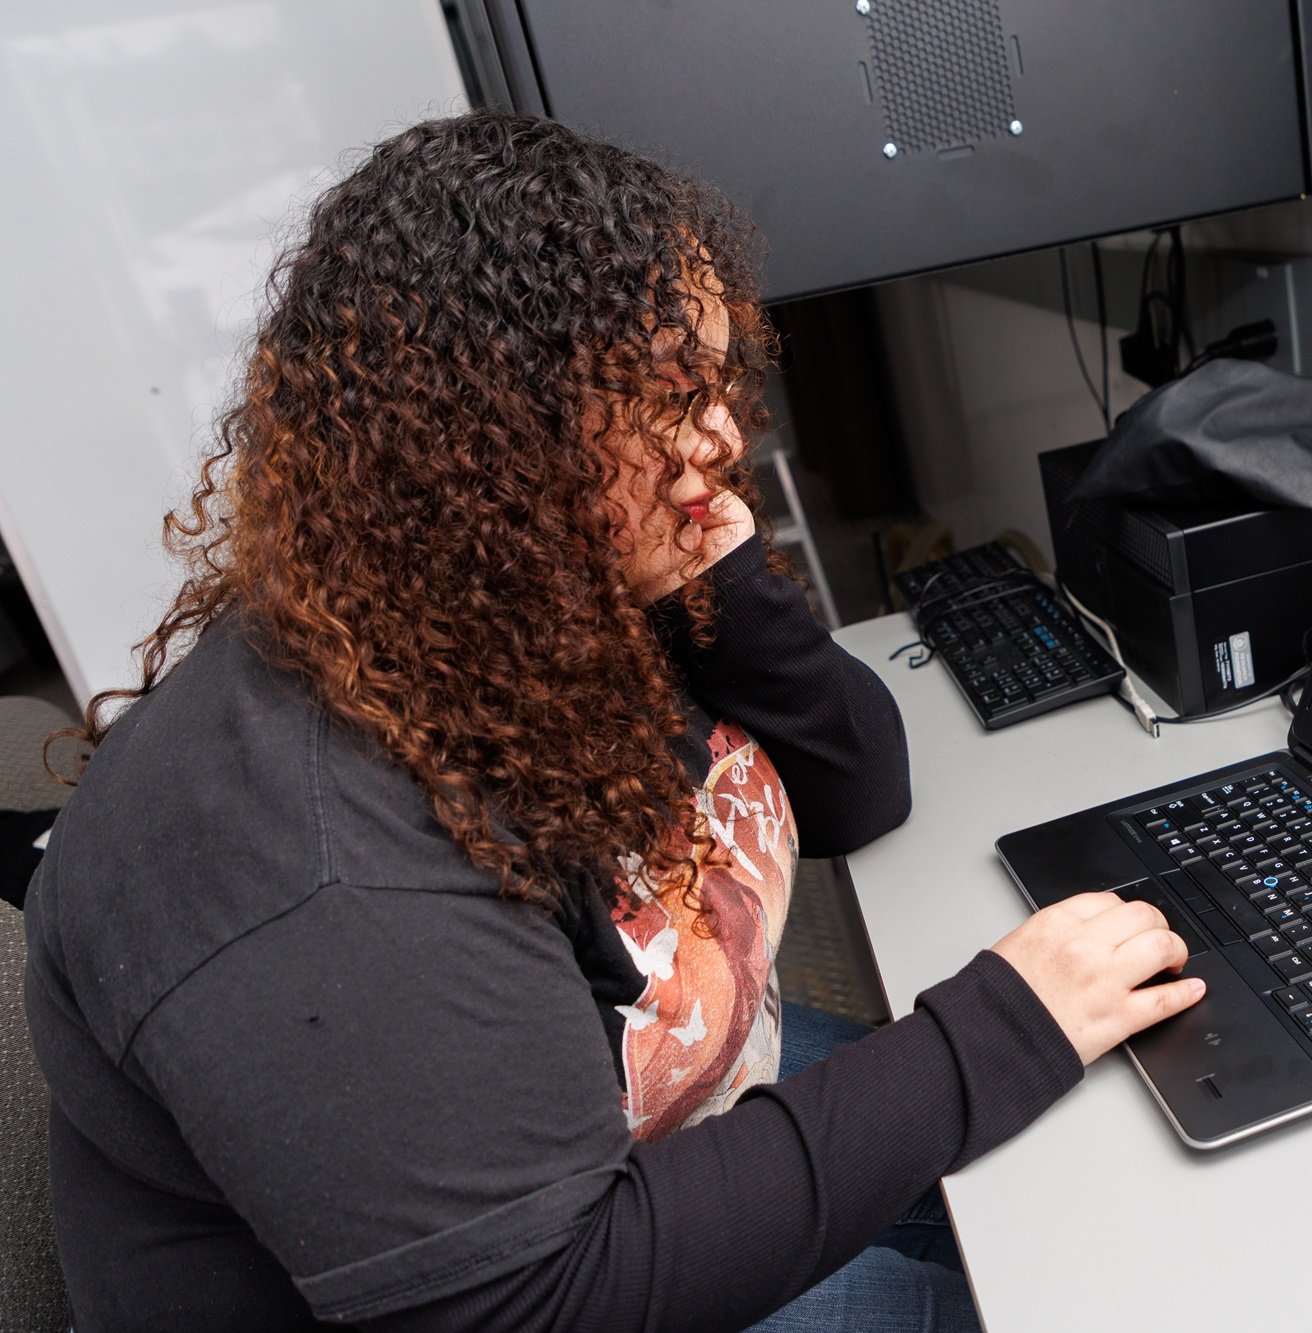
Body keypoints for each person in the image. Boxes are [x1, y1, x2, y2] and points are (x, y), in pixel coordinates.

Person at [21, 111, 1205, 1331]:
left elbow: (860, 789)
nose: (725, 438)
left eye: (713, 385)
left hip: (626, 1113)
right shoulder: (314, 866)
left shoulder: (525, 586)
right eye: (669, 397)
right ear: (485, 445)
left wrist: (725, 582)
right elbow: (542, 1300)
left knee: (1095, 1172)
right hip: (543, 1281)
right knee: (1065, 1292)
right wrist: (987, 1040)